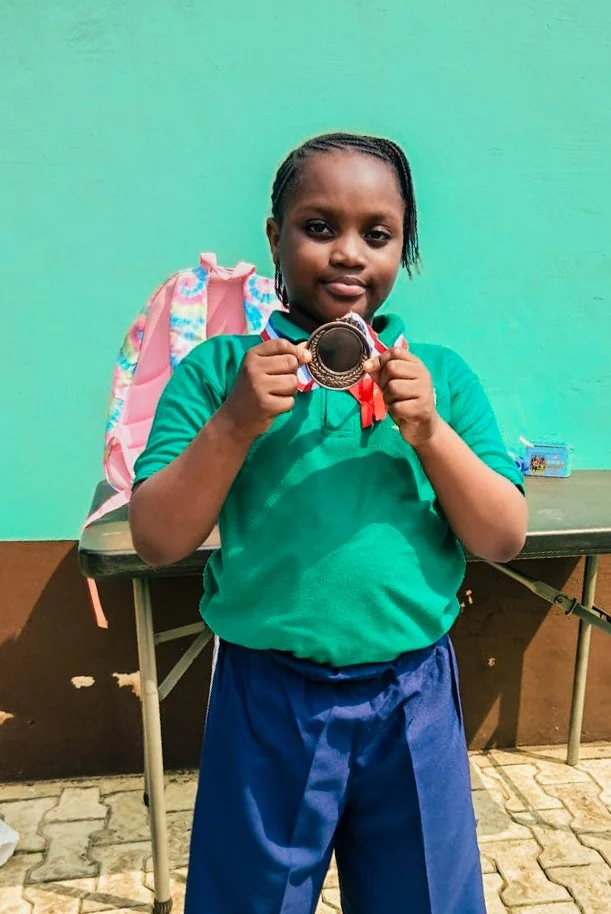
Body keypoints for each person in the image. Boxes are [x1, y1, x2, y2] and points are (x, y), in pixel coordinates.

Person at [129, 132, 528, 914]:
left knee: (426, 897)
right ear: (274, 237)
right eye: (319, 227)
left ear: (402, 248)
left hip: (411, 694)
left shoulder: (438, 377)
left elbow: (500, 537)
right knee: (252, 900)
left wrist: (431, 434)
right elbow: (158, 537)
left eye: (376, 235)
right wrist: (235, 424)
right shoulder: (219, 374)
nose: (348, 254)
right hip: (266, 697)